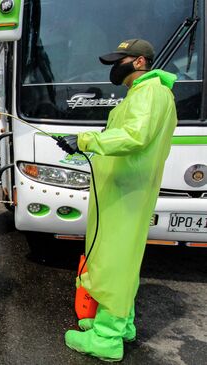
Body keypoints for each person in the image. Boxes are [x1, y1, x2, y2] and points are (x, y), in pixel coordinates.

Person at [56, 39, 178, 362]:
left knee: (114, 259)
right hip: (123, 189)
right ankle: (120, 322)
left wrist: (85, 139)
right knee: (121, 259)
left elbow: (134, 136)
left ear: (139, 62)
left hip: (126, 193)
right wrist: (85, 150)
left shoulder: (151, 93)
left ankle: (108, 337)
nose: (114, 67)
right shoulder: (142, 94)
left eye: (119, 61)